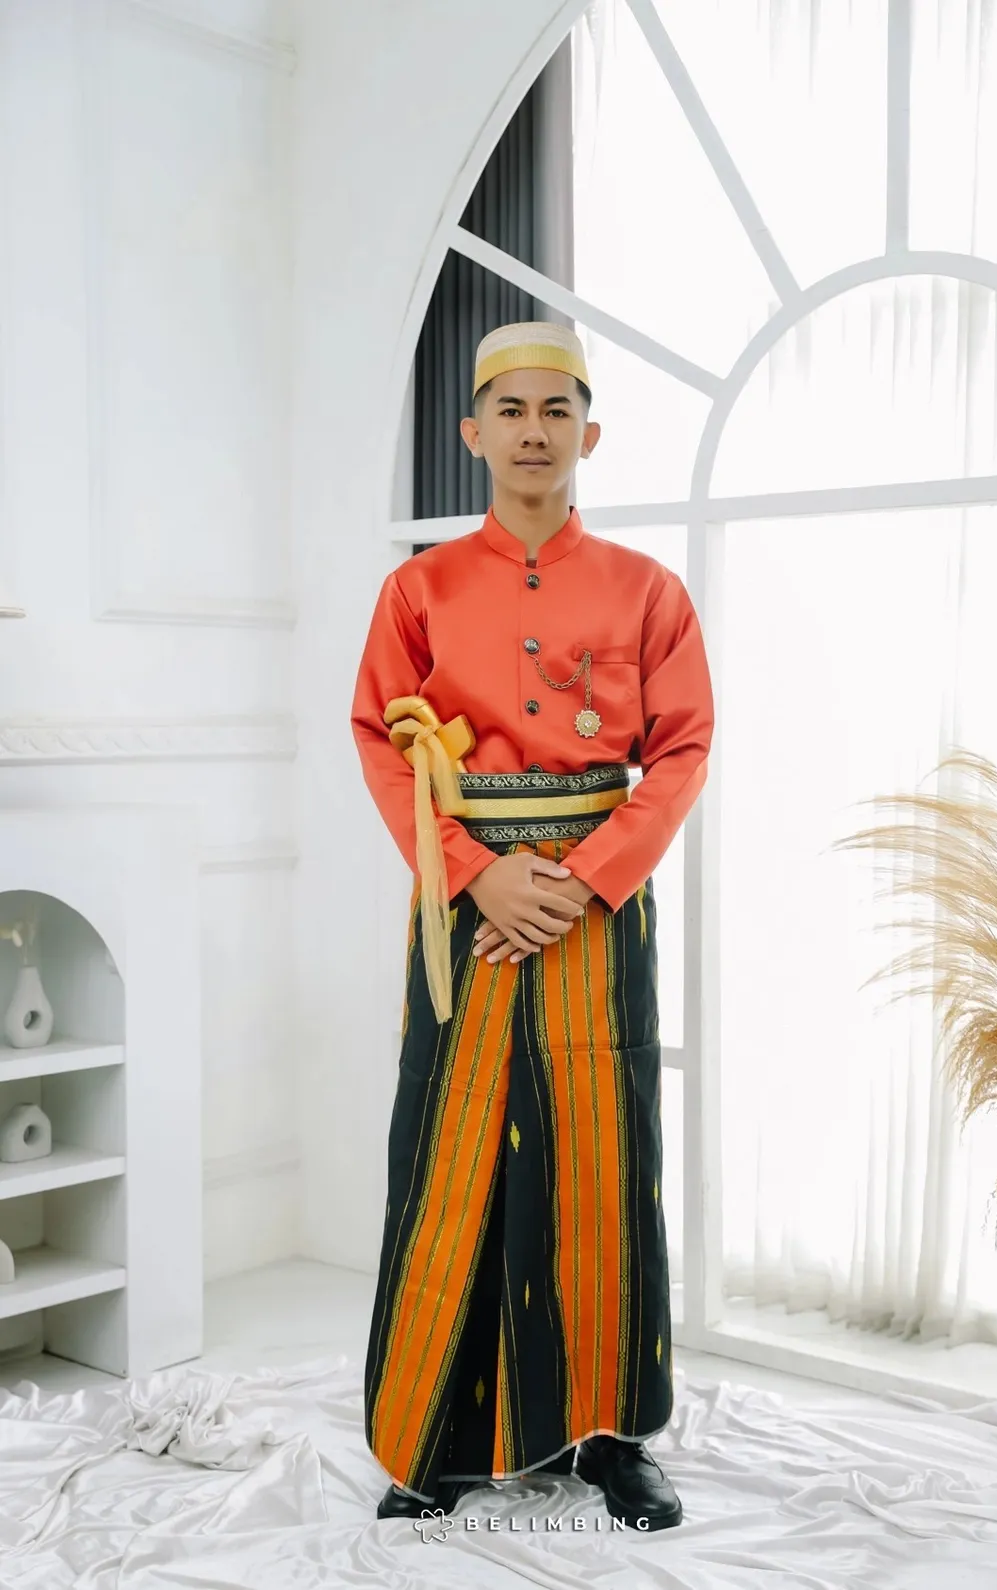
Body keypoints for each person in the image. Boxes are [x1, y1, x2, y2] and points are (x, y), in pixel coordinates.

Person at [350, 321, 714, 1532]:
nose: (533, 431)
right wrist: (471, 874)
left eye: (557, 410)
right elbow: (375, 738)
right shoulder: (417, 591)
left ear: (588, 435)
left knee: (601, 1153)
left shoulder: (648, 591)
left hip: (598, 914)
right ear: (472, 432)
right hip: (465, 905)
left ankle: (613, 1436)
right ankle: (432, 1435)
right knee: (448, 1144)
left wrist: (589, 875)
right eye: (510, 410)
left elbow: (681, 749)